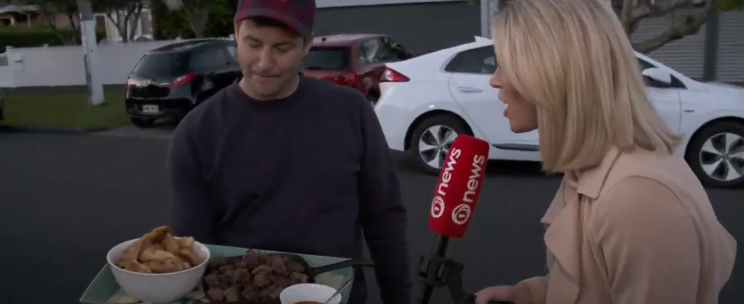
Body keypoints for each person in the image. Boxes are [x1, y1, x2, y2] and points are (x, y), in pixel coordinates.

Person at [474, 0, 737, 304]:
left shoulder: (637, 197)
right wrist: (527, 295)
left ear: (551, 73)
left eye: (505, 64)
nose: (495, 80)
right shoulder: (593, 167)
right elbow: (594, 283)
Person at [165, 0, 412, 303]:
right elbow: (194, 254)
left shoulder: (350, 112)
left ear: (307, 44)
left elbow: (384, 216)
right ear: (235, 33)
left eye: (282, 48)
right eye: (253, 44)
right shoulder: (196, 133)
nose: (264, 62)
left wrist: (398, 296)